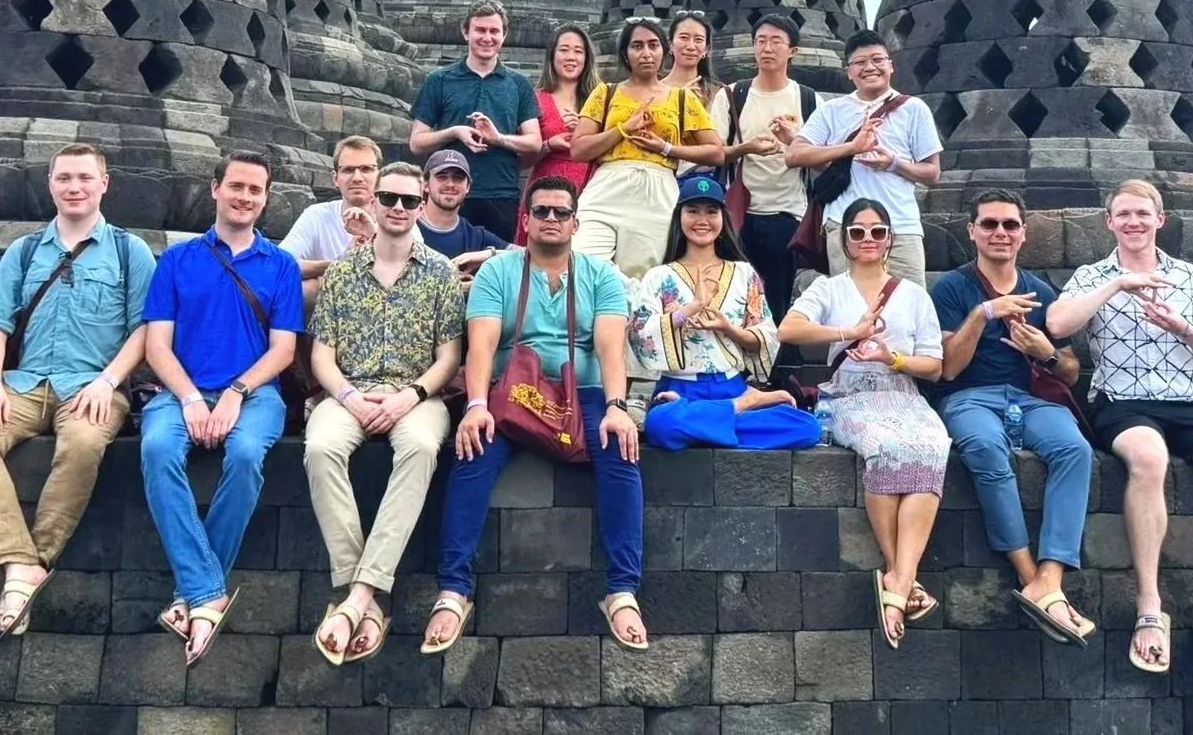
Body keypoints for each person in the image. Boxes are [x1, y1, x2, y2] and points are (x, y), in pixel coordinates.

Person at [1046, 179, 1193, 691]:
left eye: (1142, 214)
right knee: (1148, 460)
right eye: (1123, 215)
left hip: (1185, 401)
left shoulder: (1187, 277)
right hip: (1120, 402)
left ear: (1159, 220)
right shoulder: (1092, 275)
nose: (1133, 223)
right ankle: (1149, 605)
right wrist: (1116, 285)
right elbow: (1057, 324)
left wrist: (1183, 329)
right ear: (1109, 223)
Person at [420, 176, 646, 655]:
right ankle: (452, 589)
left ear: (575, 222)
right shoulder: (498, 271)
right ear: (524, 220)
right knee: (470, 451)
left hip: (581, 389)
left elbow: (610, 344)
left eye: (560, 212)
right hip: (510, 390)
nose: (550, 219)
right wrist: (476, 406)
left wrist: (616, 407)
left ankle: (622, 591)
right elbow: (480, 342)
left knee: (621, 452)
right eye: (540, 211)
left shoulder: (599, 275)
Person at [0, 144, 155, 636]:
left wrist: (109, 382)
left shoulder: (130, 252)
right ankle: (22, 564)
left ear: (104, 184)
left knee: (84, 442)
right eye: (65, 178)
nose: (75, 187)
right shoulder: (24, 251)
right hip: (24, 384)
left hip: (94, 385)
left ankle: (32, 564)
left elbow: (146, 331)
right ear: (51, 185)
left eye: (85, 178)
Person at [141, 151, 303, 665]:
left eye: (255, 190)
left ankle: (193, 591)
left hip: (256, 394)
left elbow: (283, 350)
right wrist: (190, 397)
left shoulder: (280, 264)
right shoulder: (178, 259)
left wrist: (235, 392)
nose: (245, 197)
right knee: (158, 447)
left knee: (248, 454)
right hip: (180, 391)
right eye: (236, 186)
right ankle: (208, 592)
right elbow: (156, 346)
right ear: (215, 189)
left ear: (265, 199)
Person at [304, 162, 464, 665]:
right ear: (371, 201)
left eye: (408, 201)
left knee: (419, 448)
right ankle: (365, 593)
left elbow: (449, 356)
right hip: (349, 392)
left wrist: (410, 396)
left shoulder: (439, 270)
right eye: (388, 199)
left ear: (421, 205)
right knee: (320, 447)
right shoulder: (342, 271)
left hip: (416, 395)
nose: (398, 209)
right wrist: (349, 397)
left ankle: (356, 597)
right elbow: (321, 354)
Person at [928, 189, 1095, 646]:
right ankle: (1030, 577)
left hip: (1028, 398)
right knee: (984, 448)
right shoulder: (952, 288)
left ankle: (1051, 576)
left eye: (1009, 225)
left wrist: (1045, 354)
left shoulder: (1040, 291)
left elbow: (1070, 370)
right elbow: (948, 367)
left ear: (1024, 233)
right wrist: (983, 314)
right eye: (989, 224)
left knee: (1075, 450)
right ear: (972, 232)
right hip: (968, 396)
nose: (999, 233)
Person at [780, 200, 949, 650]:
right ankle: (901, 578)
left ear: (891, 238)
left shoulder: (914, 295)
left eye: (877, 232)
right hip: (851, 395)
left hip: (902, 392)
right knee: (886, 446)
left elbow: (933, 365)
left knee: (932, 444)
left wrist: (890, 356)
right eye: (858, 232)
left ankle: (899, 578)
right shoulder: (829, 289)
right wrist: (848, 333)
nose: (868, 240)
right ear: (845, 240)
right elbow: (788, 330)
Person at [628, 173, 820, 451]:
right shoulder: (660, 276)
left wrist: (728, 328)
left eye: (711, 211)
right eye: (692, 211)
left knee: (807, 427)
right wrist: (688, 311)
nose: (702, 220)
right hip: (681, 390)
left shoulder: (743, 273)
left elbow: (767, 335)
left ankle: (706, 425)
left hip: (730, 383)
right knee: (661, 424)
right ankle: (739, 410)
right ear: (679, 218)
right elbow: (640, 335)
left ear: (723, 218)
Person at [569, 18, 724, 278]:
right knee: (580, 261)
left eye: (653, 45)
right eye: (637, 46)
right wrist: (623, 129)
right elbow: (578, 149)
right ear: (626, 55)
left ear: (664, 51)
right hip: (608, 184)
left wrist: (666, 148)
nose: (646, 53)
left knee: (642, 275)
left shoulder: (681, 98)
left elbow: (715, 152)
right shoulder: (605, 93)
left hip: (657, 186)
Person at [786, 29, 943, 280]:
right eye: (860, 62)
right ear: (849, 72)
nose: (870, 67)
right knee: (850, 309)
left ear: (891, 66)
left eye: (878, 60)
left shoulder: (914, 109)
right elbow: (794, 156)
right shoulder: (832, 111)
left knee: (908, 308)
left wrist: (893, 163)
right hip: (846, 226)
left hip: (900, 226)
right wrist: (851, 148)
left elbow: (932, 173)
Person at [709, 13, 817, 320]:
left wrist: (793, 140)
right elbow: (714, 152)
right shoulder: (732, 95)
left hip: (787, 213)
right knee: (734, 296)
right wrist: (747, 148)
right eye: (761, 41)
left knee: (777, 298)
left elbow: (824, 156)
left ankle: (774, 367)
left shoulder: (808, 99)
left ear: (792, 50)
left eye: (776, 42)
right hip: (738, 213)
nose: (767, 48)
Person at [410, 0, 542, 239]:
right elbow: (417, 142)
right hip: (448, 191)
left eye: (494, 31)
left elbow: (534, 142)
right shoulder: (439, 80)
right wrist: (455, 132)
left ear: (504, 35)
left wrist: (499, 138)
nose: (487, 38)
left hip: (500, 193)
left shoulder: (519, 84)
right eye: (480, 30)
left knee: (495, 267)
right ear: (465, 32)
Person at [517, 25, 597, 244]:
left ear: (587, 58)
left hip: (590, 188)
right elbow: (521, 160)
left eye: (578, 51)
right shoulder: (536, 99)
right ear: (552, 55)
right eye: (564, 50)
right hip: (544, 186)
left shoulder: (600, 100)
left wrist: (585, 133)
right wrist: (549, 145)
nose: (571, 57)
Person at [283, 135, 381, 306]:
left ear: (380, 176)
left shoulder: (398, 214)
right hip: (327, 311)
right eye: (348, 170)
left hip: (383, 311)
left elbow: (412, 274)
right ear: (335, 178)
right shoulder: (317, 215)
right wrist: (340, 264)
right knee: (308, 288)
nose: (357, 178)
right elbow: (281, 265)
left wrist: (375, 237)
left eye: (366, 169)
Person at [666, 10, 722, 144]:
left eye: (698, 40)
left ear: (706, 49)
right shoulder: (655, 89)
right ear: (670, 45)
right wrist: (679, 101)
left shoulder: (718, 93)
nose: (691, 46)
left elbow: (721, 143)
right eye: (684, 38)